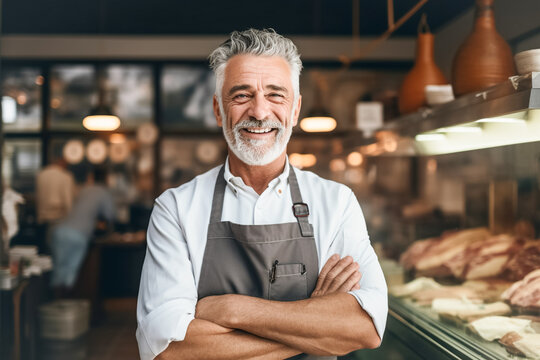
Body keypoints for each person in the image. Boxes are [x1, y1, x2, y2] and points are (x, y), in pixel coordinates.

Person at [136, 29, 387, 360]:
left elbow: (365, 328)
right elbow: (169, 351)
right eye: (241, 95)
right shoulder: (176, 208)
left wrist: (231, 309)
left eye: (275, 95)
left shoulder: (336, 203)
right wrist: (316, 322)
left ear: (295, 109)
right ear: (217, 109)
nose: (259, 112)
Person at [50, 166, 115, 291]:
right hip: (78, 234)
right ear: (106, 178)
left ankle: (54, 306)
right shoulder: (104, 192)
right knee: (69, 275)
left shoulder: (84, 190)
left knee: (58, 273)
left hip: (60, 230)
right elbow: (110, 216)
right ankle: (65, 309)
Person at [35, 158, 75, 253]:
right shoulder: (65, 176)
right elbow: (68, 200)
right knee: (57, 250)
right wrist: (72, 220)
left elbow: (38, 196)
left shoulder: (41, 175)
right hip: (58, 217)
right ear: (63, 164)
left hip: (42, 218)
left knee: (44, 250)